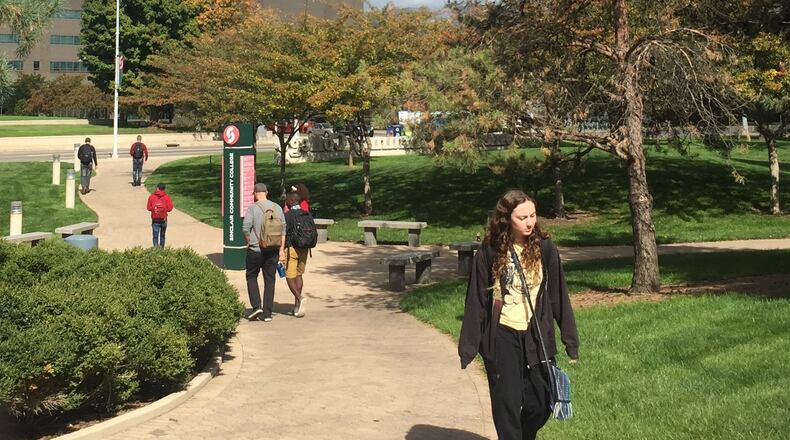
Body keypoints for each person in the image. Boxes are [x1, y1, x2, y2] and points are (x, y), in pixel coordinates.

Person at [458, 190, 579, 440]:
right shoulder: (490, 251)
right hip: (503, 336)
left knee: (541, 401)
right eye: (522, 217)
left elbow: (558, 294)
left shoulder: (545, 248)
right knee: (508, 406)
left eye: (533, 215)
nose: (529, 222)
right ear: (506, 219)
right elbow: (477, 300)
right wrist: (469, 347)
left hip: (536, 335)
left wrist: (570, 340)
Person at [242, 182, 286, 322]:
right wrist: (281, 250)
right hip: (273, 249)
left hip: (255, 249)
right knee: (270, 280)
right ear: (267, 192)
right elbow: (283, 231)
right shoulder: (277, 208)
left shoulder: (252, 208)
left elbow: (245, 228)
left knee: (251, 276)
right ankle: (267, 313)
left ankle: (256, 307)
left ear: (254, 194)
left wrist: (249, 240)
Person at [284, 190, 310, 317]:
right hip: (305, 248)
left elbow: (283, 233)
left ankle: (299, 298)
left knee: (289, 276)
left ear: (292, 201)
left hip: (291, 248)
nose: (286, 202)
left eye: (287, 200)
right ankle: (296, 306)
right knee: (299, 275)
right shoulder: (307, 214)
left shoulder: (288, 215)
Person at [146, 183, 174, 247]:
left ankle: (156, 250)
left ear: (157, 188)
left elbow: (148, 208)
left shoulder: (152, 197)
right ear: (164, 189)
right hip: (163, 219)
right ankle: (162, 249)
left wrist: (155, 209)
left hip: (155, 219)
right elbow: (170, 208)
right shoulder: (167, 197)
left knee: (155, 236)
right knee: (162, 235)